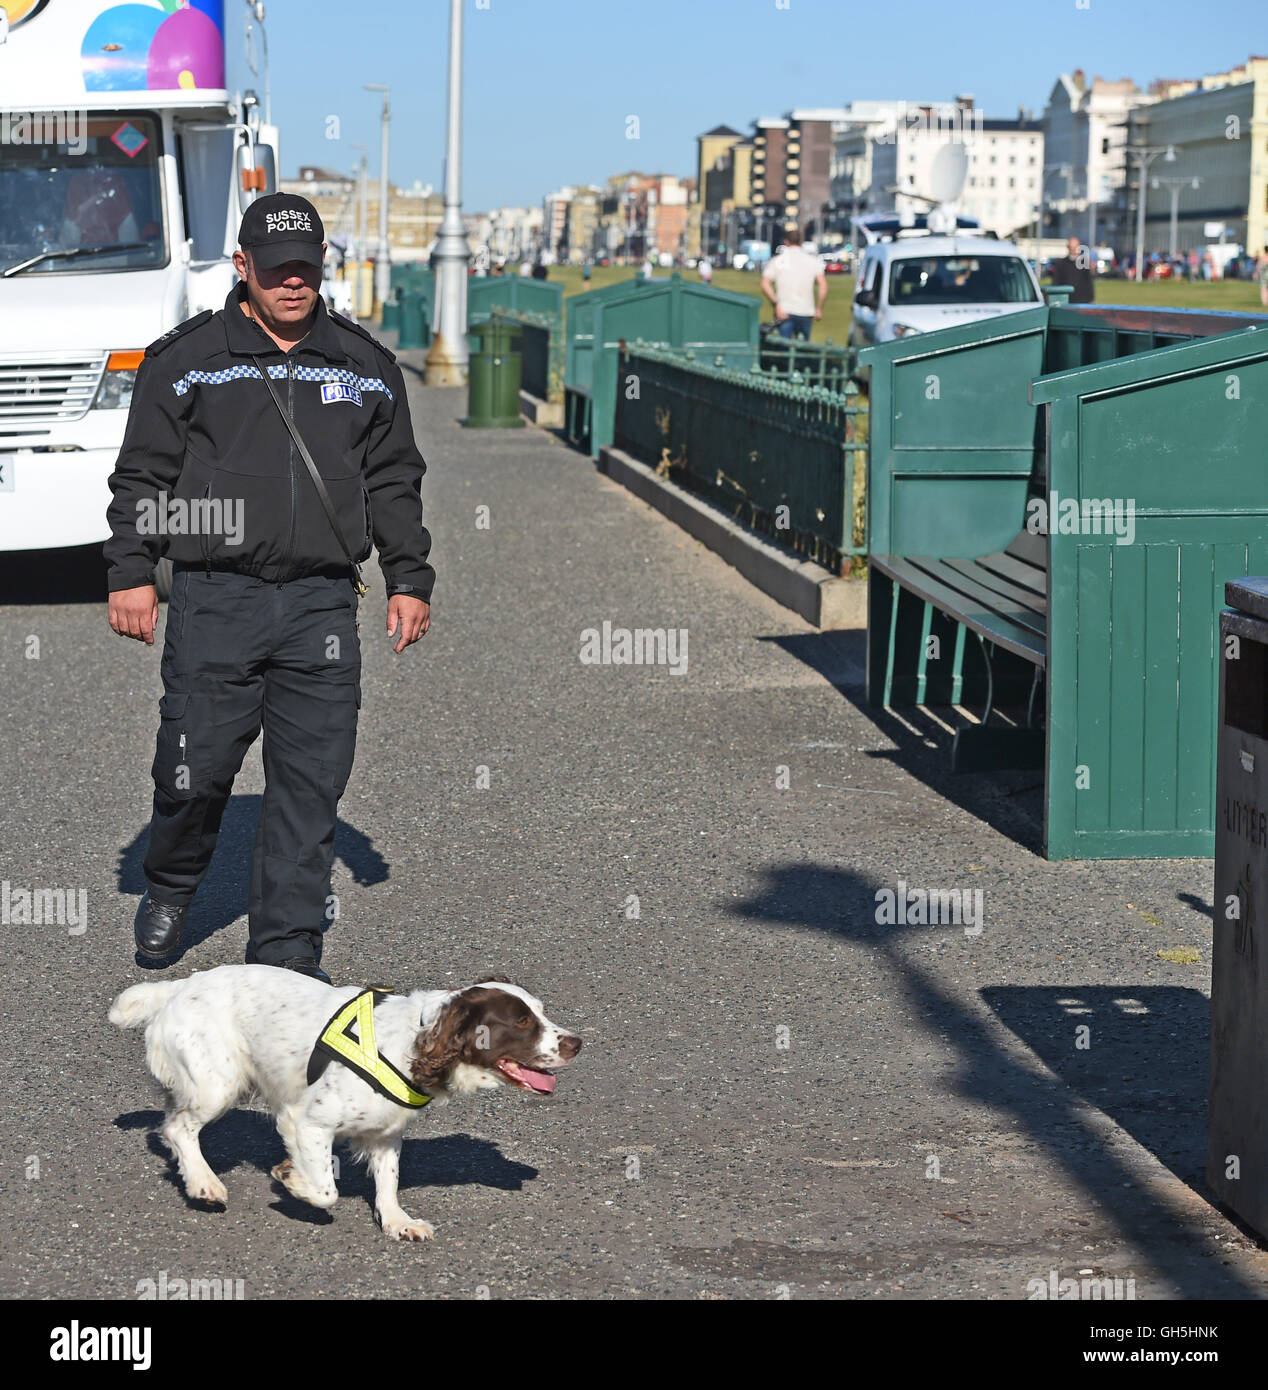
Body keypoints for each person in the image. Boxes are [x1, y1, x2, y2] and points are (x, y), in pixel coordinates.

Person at [105, 193, 434, 982]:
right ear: (243, 266)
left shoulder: (364, 367)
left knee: (309, 785)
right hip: (217, 598)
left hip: (321, 602)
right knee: (195, 769)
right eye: (277, 268)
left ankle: (287, 954)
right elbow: (143, 475)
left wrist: (408, 577)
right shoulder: (186, 361)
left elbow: (394, 479)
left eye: (307, 269)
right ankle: (173, 882)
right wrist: (132, 574)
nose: (294, 283)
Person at [760, 227, 826, 340]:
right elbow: (823, 285)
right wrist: (819, 308)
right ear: (801, 242)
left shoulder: (778, 260)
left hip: (784, 310)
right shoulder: (812, 261)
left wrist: (776, 304)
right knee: (803, 349)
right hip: (806, 310)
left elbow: (765, 284)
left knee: (784, 347)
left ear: (786, 241)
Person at [1049, 236, 1095, 304]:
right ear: (1068, 247)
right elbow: (1055, 282)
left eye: (1075, 247)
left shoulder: (1085, 263)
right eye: (1071, 247)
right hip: (1065, 300)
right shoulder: (1060, 264)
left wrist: (1093, 270)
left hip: (1083, 301)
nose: (1073, 249)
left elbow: (1090, 282)